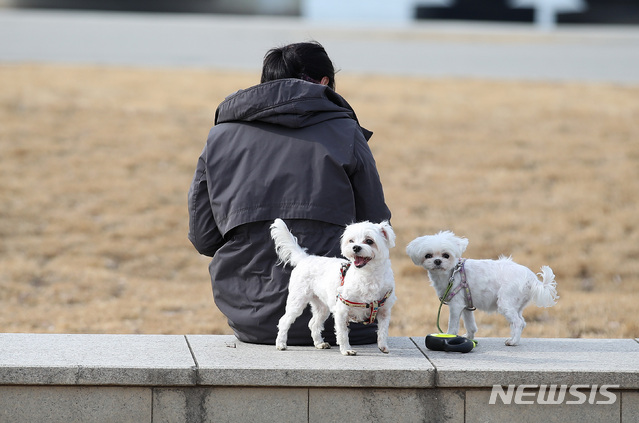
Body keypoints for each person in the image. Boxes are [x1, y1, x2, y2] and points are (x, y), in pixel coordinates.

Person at [188, 41, 391, 345]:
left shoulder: (219, 137)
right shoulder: (346, 132)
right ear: (324, 83)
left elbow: (203, 237)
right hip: (350, 318)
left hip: (249, 315)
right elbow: (377, 229)